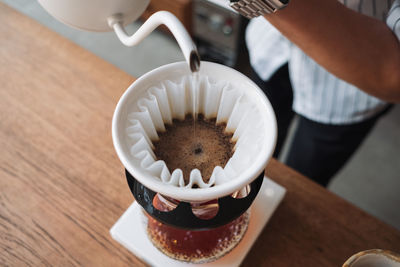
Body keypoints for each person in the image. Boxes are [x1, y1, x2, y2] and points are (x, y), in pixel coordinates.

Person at [245, 0, 400, 186]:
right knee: (248, 156)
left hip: (345, 90)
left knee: (298, 188)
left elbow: (394, 73)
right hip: (271, 46)